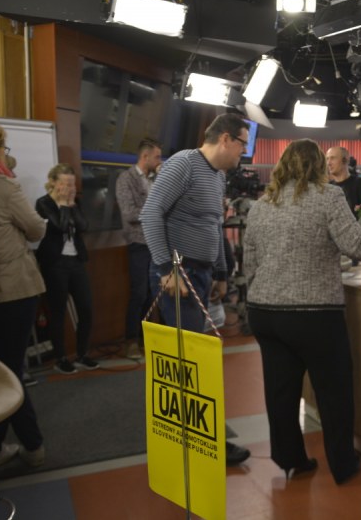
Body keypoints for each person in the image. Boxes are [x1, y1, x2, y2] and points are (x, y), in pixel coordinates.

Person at [244, 139, 361, 484]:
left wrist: (264, 292)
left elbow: (250, 263)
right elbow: (357, 245)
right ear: (319, 165)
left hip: (264, 311)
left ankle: (290, 459)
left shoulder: (261, 204)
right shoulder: (328, 196)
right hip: (313, 312)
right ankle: (343, 465)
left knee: (280, 389)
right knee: (334, 391)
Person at [140, 112, 250, 466]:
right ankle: (196, 444)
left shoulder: (217, 176)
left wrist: (221, 272)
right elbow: (150, 214)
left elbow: (214, 225)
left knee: (194, 360)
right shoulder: (184, 164)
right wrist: (165, 269)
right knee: (188, 363)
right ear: (225, 139)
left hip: (200, 275)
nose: (244, 152)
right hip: (179, 275)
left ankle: (198, 439)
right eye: (242, 143)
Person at [0, 120, 46, 468]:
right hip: (16, 288)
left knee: (1, 367)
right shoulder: (3, 184)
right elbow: (35, 228)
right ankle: (33, 446)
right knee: (10, 371)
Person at [35, 164, 98, 374]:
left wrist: (71, 205)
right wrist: (62, 204)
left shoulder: (74, 202)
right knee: (58, 312)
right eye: (65, 183)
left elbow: (84, 226)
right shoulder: (43, 203)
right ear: (53, 182)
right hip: (55, 263)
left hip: (76, 261)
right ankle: (61, 357)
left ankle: (82, 354)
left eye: (72, 183)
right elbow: (59, 227)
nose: (69, 188)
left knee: (86, 308)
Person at [115, 138, 162, 359]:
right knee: (139, 292)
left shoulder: (157, 179)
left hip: (157, 243)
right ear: (145, 157)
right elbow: (129, 213)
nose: (160, 161)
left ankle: (147, 340)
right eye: (157, 157)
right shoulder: (126, 179)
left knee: (153, 294)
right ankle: (131, 341)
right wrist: (155, 211)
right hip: (138, 244)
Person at [326, 146, 361, 214]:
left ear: (345, 160)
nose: (328, 163)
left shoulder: (359, 184)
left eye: (333, 158)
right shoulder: (327, 187)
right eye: (327, 159)